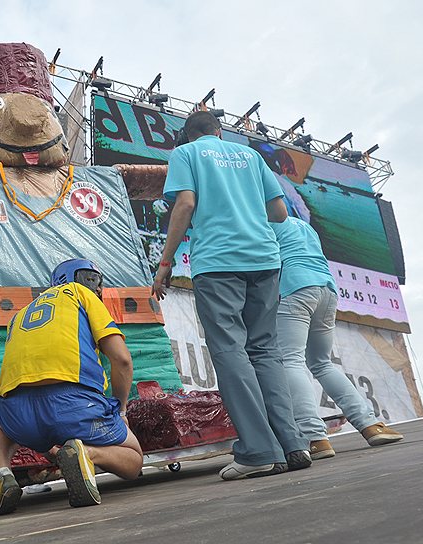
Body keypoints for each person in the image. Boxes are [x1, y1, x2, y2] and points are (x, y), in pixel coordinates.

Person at [151, 111, 311, 480]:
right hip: (265, 260)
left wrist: (165, 262)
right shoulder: (251, 156)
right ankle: (293, 443)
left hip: (218, 263)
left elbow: (186, 204)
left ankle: (259, 451)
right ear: (219, 132)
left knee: (229, 351)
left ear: (188, 136)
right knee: (265, 351)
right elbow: (280, 213)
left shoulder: (186, 154)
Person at [0, 259, 144, 515]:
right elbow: (122, 360)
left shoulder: (19, 314)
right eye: (90, 280)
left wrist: (46, 441)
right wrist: (122, 411)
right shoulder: (81, 294)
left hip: (17, 416)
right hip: (74, 405)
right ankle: (88, 454)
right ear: (74, 280)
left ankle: (2, 472)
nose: (95, 287)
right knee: (134, 459)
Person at [272, 217, 404, 458]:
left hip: (294, 287)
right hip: (326, 290)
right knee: (321, 363)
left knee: (291, 360)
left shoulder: (263, 220)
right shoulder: (302, 225)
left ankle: (314, 437)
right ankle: (371, 424)